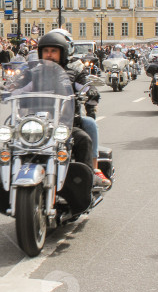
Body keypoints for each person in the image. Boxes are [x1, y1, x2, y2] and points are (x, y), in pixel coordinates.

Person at [37, 31, 110, 189]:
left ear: (62, 53)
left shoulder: (73, 73)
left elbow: (85, 87)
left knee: (84, 136)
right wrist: (6, 90)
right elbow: (19, 89)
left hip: (65, 124)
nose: (49, 55)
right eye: (46, 51)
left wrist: (90, 91)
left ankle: (90, 173)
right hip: (38, 125)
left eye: (53, 51)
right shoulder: (33, 73)